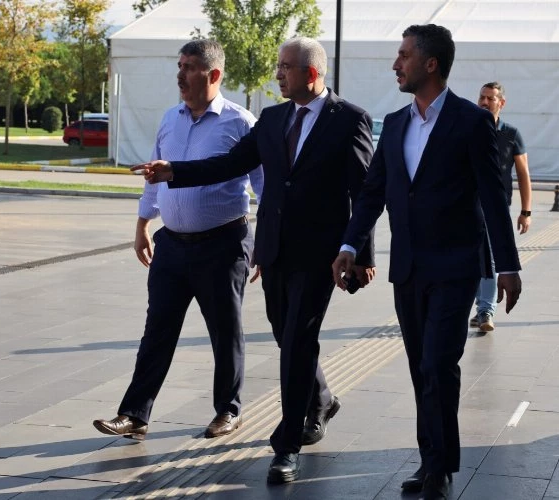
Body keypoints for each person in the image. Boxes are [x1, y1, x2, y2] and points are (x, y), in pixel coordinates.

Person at [132, 37, 376, 484]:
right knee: (286, 335)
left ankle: (286, 446)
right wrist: (174, 171)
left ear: (311, 74)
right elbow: (229, 163)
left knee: (298, 341)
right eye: (278, 65)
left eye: (285, 67)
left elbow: (365, 192)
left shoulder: (349, 119)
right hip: (275, 250)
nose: (277, 74)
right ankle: (321, 400)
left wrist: (359, 252)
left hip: (320, 256)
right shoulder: (273, 118)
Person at [331, 25, 522, 500]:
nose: (396, 64)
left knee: (439, 363)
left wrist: (508, 265)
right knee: (422, 366)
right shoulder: (395, 123)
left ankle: (440, 467)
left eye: (404, 55)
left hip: (456, 266)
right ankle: (430, 457)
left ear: (430, 63)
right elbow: (373, 192)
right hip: (409, 267)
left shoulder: (471, 122)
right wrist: (350, 245)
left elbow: (493, 197)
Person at [92, 40, 263, 442]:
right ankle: (134, 415)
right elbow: (154, 177)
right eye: (179, 65)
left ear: (213, 74)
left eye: (189, 67)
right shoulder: (171, 118)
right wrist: (142, 224)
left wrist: (267, 244)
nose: (180, 75)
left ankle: (228, 410)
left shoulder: (241, 123)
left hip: (223, 245)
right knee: (157, 330)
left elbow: (264, 186)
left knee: (225, 331)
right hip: (172, 245)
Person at [470, 82, 531, 332]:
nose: (484, 102)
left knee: (491, 258)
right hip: (466, 206)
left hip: (496, 207)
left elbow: (523, 174)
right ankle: (477, 307)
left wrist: (526, 212)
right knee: (469, 257)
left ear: (501, 103)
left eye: (491, 98)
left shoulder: (511, 134)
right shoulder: (468, 128)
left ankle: (486, 310)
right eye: (482, 97)